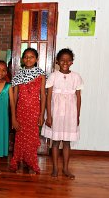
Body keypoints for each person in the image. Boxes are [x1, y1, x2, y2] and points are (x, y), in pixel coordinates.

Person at [41, 48, 83, 179]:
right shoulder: (53, 76)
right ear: (57, 61)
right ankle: (55, 168)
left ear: (72, 62)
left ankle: (65, 168)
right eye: (62, 60)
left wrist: (77, 116)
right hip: (56, 113)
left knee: (66, 142)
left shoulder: (76, 77)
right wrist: (49, 116)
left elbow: (78, 97)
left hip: (70, 113)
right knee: (55, 141)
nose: (65, 62)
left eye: (68, 60)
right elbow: (48, 98)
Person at [9, 48, 46, 175]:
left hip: (35, 111)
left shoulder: (41, 74)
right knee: (20, 138)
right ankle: (19, 163)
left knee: (31, 138)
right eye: (26, 57)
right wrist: (13, 117)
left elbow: (43, 95)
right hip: (21, 111)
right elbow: (13, 98)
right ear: (22, 59)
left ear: (36, 59)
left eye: (31, 57)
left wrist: (42, 114)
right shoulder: (18, 75)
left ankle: (31, 164)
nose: (28, 59)